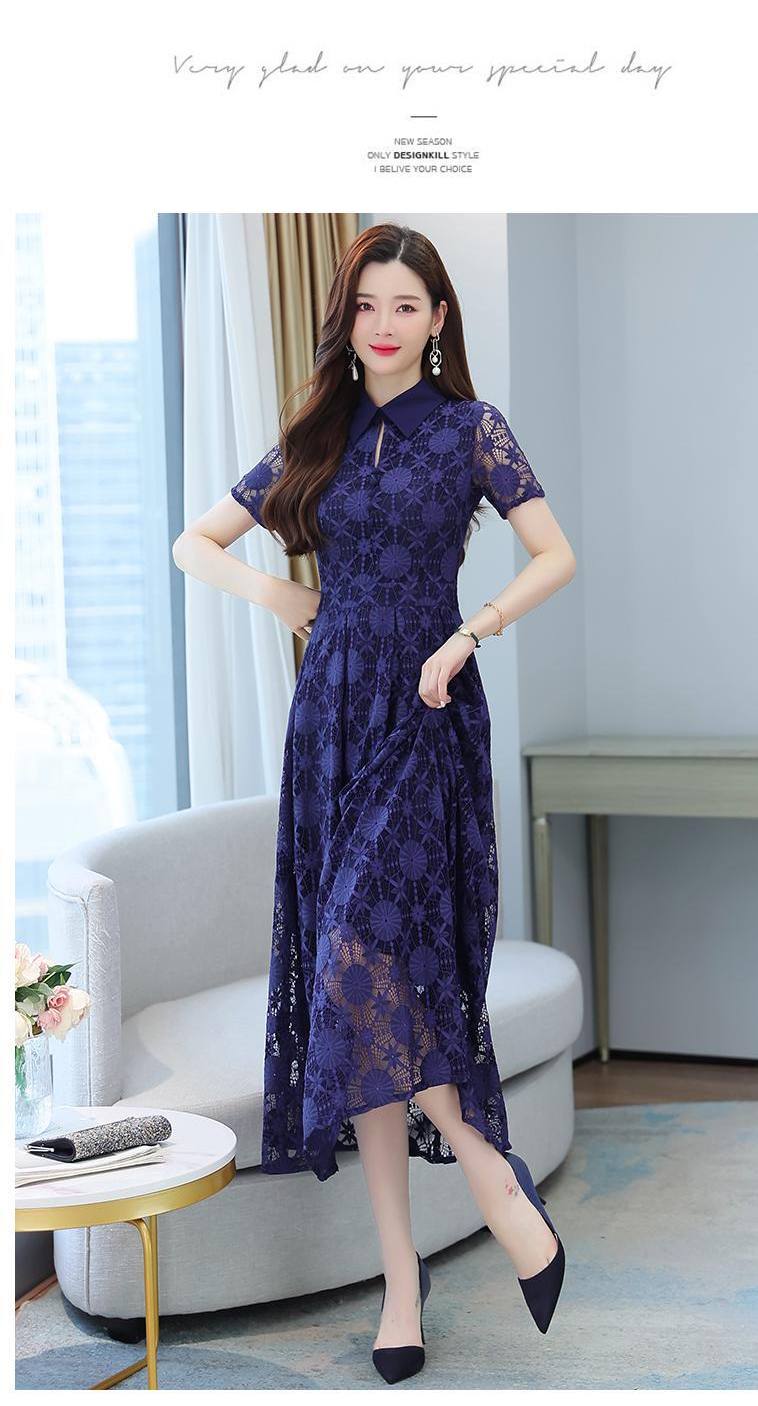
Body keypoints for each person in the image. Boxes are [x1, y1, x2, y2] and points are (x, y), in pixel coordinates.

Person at [174, 225, 575, 1379]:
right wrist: (277, 597)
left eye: (406, 306)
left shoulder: (471, 430)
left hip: (426, 710)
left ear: (438, 319)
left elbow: (553, 556)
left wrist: (468, 632)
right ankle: (406, 1274)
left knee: (362, 959)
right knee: (362, 991)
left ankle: (492, 1187)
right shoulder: (317, 435)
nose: (385, 325)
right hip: (330, 725)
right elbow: (193, 543)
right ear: (345, 321)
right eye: (367, 306)